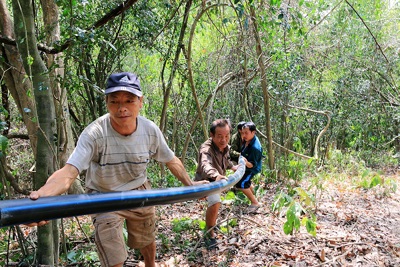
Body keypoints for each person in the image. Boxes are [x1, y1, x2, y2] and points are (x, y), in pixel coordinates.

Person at [27, 72, 208, 267]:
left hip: (139, 191)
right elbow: (69, 172)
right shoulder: (95, 133)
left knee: (146, 240)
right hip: (104, 196)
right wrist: (42, 196)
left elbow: (171, 160)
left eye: (129, 101)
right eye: (114, 102)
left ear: (140, 102)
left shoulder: (150, 130)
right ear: (107, 103)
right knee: (114, 259)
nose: (122, 108)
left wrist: (191, 186)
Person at [194, 119, 240, 250]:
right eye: (220, 136)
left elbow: (226, 159)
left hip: (219, 181)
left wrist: (232, 167)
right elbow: (205, 164)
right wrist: (215, 176)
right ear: (211, 135)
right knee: (215, 202)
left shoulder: (225, 147)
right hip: (206, 182)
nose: (224, 140)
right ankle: (210, 233)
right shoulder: (206, 148)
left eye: (227, 136)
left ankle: (212, 223)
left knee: (216, 204)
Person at [235, 121, 263, 213]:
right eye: (242, 133)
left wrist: (245, 162)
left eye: (246, 133)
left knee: (242, 184)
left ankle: (255, 203)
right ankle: (253, 194)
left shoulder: (255, 148)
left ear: (253, 132)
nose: (243, 135)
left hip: (251, 169)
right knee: (244, 182)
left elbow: (252, 164)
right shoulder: (247, 139)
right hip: (245, 166)